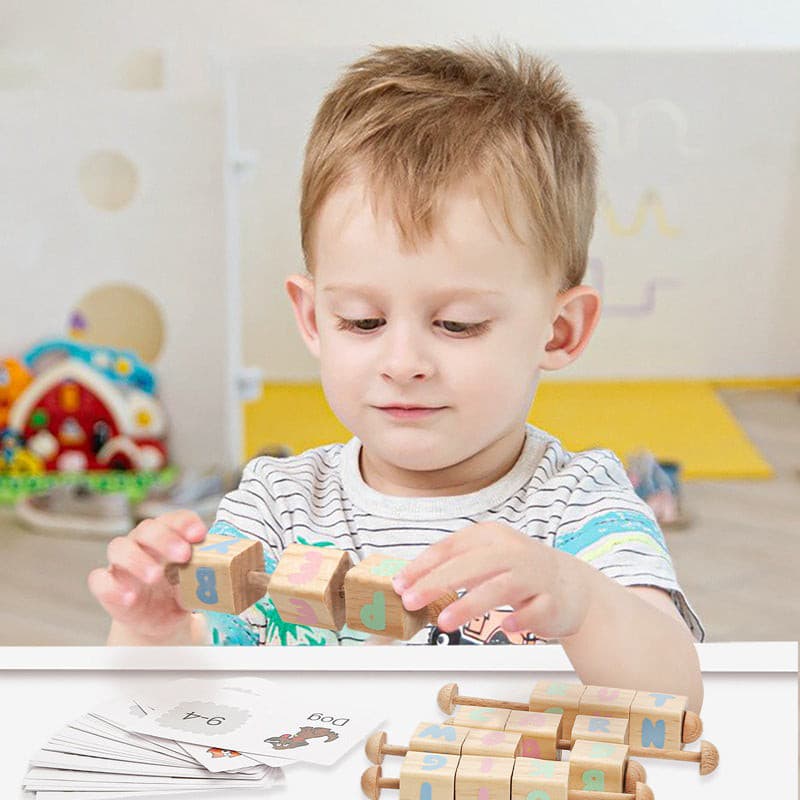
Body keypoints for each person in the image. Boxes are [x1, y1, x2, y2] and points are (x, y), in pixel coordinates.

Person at [89, 43, 703, 710]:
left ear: (560, 331)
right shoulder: (275, 509)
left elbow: (678, 693)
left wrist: (581, 602)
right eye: (361, 320)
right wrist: (151, 632)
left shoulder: (580, 510)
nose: (402, 362)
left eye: (458, 324)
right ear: (314, 317)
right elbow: (170, 708)